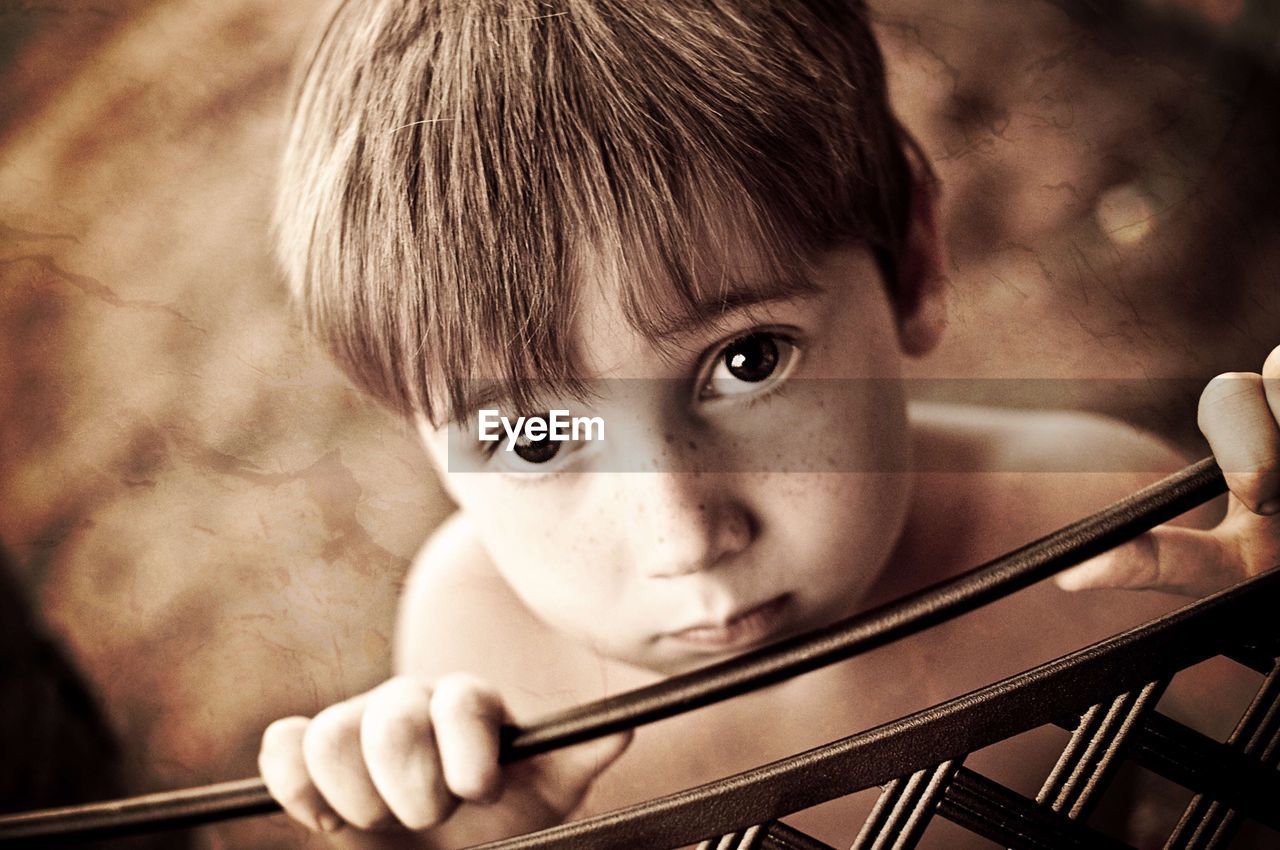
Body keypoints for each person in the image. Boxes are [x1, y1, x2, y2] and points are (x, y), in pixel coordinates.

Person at [258, 1, 1280, 846]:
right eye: (533, 437)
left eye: (745, 361)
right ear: (420, 434)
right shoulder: (477, 657)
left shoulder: (1102, 542)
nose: (687, 538)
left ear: (909, 260)